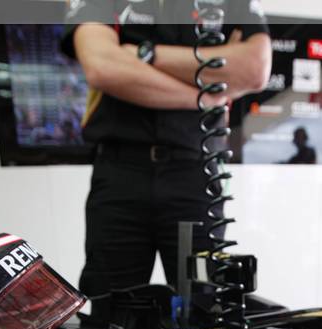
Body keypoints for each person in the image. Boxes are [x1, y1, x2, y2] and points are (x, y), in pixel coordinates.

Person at [61, 0, 271, 297]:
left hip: (196, 174)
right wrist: (203, 95)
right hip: (120, 174)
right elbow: (102, 66)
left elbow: (254, 68)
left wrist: (144, 54)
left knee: (207, 303)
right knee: (111, 307)